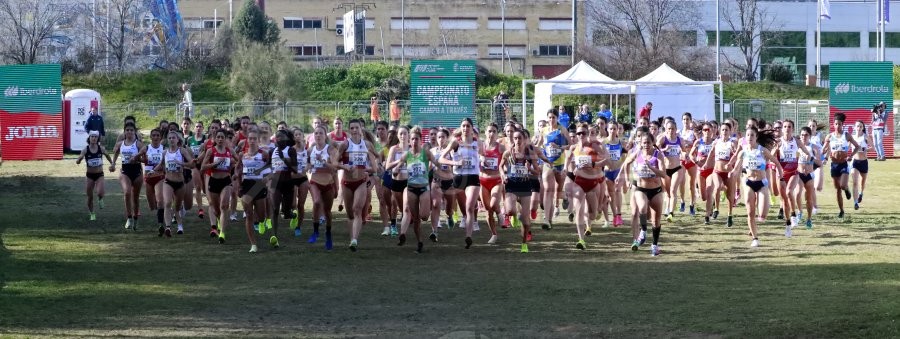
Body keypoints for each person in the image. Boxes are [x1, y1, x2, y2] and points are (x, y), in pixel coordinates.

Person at [729, 127, 782, 247]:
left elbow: (777, 163)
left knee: (762, 215)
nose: (749, 138)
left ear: (756, 137)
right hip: (748, 183)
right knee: (750, 212)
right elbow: (737, 168)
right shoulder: (743, 152)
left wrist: (781, 176)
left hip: (762, 183)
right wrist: (732, 173)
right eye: (747, 135)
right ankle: (755, 238)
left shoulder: (762, 151)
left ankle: (758, 222)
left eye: (752, 135)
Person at [617, 128, 666, 256]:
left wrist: (652, 168)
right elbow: (626, 163)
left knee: (656, 221)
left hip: (656, 190)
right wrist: (627, 179)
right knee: (642, 208)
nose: (646, 145)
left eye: (648, 143)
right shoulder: (638, 153)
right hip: (641, 188)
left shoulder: (657, 154)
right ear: (640, 143)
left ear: (652, 142)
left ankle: (654, 245)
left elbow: (663, 174)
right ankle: (643, 231)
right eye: (644, 143)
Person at [394, 126, 438, 253]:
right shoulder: (407, 154)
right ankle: (419, 242)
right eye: (412, 139)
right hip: (411, 188)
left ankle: (422, 229)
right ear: (410, 141)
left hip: (424, 188)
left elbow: (435, 163)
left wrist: (440, 171)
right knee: (415, 217)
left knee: (424, 216)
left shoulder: (426, 153)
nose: (414, 141)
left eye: (416, 139)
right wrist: (396, 170)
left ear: (420, 140)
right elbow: (398, 166)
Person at [440, 118, 481, 249]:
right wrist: (455, 163)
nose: (465, 128)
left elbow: (484, 154)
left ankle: (468, 236)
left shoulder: (477, 143)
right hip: (459, 178)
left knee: (469, 207)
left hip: (473, 177)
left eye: (468, 126)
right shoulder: (455, 143)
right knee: (464, 210)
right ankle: (461, 219)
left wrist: (484, 159)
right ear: (461, 128)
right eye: (463, 126)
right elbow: (441, 158)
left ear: (472, 128)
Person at [338, 119, 379, 252]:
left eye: (357, 127)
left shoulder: (367, 145)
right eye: (352, 128)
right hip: (346, 183)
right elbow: (334, 162)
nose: (355, 130)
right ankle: (352, 239)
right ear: (349, 130)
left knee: (357, 209)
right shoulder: (345, 144)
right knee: (350, 213)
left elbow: (376, 162)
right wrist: (344, 166)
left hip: (361, 182)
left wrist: (367, 168)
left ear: (361, 129)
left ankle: (354, 239)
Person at [567, 123, 609, 250]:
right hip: (579, 182)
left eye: (583, 133)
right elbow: (569, 158)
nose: (580, 135)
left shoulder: (595, 145)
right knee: (579, 211)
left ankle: (590, 221)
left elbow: (607, 159)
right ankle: (581, 240)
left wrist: (594, 164)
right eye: (578, 133)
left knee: (592, 214)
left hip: (593, 183)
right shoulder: (574, 147)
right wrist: (567, 168)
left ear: (587, 133)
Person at [499, 128, 538, 253]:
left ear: (524, 140)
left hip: (525, 186)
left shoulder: (530, 154)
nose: (517, 140)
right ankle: (513, 216)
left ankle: (524, 244)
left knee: (526, 221)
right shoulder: (508, 153)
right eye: (515, 138)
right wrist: (504, 176)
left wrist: (529, 169)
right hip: (511, 184)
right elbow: (500, 166)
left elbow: (538, 171)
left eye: (519, 138)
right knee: (510, 211)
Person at [200, 129, 238, 243]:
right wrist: (214, 164)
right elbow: (203, 167)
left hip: (226, 181)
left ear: (226, 139)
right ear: (215, 139)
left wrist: (234, 167)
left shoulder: (229, 150)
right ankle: (219, 222)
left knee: (224, 206)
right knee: (217, 211)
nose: (220, 139)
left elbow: (239, 161)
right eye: (218, 137)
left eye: (222, 137)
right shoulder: (211, 151)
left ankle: (222, 233)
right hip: (213, 181)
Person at [155, 131, 194, 237]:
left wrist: (182, 163)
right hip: (168, 181)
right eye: (170, 138)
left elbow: (192, 164)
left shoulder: (182, 151)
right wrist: (153, 171)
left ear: (178, 140)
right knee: (167, 203)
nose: (171, 140)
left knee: (177, 207)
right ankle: (168, 227)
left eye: (173, 138)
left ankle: (180, 226)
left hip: (180, 183)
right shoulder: (164, 152)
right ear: (167, 140)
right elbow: (161, 164)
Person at [821, 113, 860, 219]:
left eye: (839, 124)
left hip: (843, 164)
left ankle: (847, 189)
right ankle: (841, 210)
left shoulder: (846, 135)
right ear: (833, 124)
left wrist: (851, 156)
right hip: (834, 165)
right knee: (837, 189)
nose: (837, 126)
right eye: (835, 124)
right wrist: (823, 151)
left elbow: (857, 146)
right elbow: (824, 148)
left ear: (843, 124)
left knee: (842, 185)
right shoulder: (830, 136)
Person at [237, 131, 271, 253]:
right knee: (248, 214)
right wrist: (238, 182)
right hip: (247, 185)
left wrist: (267, 177)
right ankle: (253, 244)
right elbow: (238, 169)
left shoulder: (264, 154)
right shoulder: (243, 155)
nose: (252, 141)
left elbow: (271, 168)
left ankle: (261, 222)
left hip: (259, 185)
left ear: (258, 140)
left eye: (254, 139)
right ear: (247, 140)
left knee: (261, 216)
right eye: (250, 139)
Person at [307, 125, 340, 250]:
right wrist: (308, 166)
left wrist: (323, 161)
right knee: (316, 203)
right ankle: (315, 231)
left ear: (325, 135)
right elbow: (307, 164)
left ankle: (328, 233)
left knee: (327, 211)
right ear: (313, 136)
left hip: (328, 183)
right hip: (315, 181)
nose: (318, 135)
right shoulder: (310, 150)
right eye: (316, 133)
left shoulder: (330, 149)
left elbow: (335, 168)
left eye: (321, 133)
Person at [538, 109, 571, 230]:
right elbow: (539, 144)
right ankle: (547, 219)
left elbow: (571, 144)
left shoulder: (562, 130)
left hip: (560, 164)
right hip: (548, 163)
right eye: (549, 117)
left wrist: (559, 147)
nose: (551, 120)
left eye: (553, 117)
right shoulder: (544, 130)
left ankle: (565, 197)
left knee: (558, 191)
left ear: (557, 118)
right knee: (548, 190)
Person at [267, 130, 299, 249]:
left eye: (281, 137)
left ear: (286, 138)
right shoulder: (272, 151)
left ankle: (292, 214)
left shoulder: (291, 150)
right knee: (275, 208)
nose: (278, 139)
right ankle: (274, 237)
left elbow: (295, 169)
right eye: (277, 137)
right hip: (275, 181)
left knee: (285, 213)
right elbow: (269, 166)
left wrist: (284, 159)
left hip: (288, 181)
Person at [112, 122, 144, 230]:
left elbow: (145, 159)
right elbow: (115, 153)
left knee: (135, 197)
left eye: (131, 130)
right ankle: (129, 218)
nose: (129, 132)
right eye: (127, 130)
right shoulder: (120, 143)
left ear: (134, 132)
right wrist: (113, 164)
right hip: (125, 171)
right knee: (127, 192)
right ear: (124, 132)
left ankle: (135, 219)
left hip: (137, 171)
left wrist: (137, 158)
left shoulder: (138, 144)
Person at [76, 131, 112, 221]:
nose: (94, 138)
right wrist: (79, 160)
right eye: (92, 136)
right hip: (90, 175)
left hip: (99, 174)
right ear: (89, 138)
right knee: (90, 196)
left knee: (100, 192)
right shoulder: (85, 149)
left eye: (96, 137)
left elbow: (107, 155)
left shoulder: (101, 148)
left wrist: (112, 163)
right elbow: (79, 158)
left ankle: (100, 199)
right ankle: (92, 213)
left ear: (97, 138)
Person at [135, 129, 166, 231]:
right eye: (154, 135)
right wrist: (141, 159)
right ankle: (159, 212)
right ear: (151, 137)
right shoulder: (146, 148)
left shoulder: (164, 149)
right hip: (148, 178)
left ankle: (161, 224)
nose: (156, 137)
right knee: (152, 206)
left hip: (159, 177)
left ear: (160, 137)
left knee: (160, 200)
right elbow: (137, 158)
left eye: (158, 135)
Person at [796, 127, 821, 229]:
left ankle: (809, 219)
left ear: (810, 136)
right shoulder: (796, 147)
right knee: (797, 193)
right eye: (802, 135)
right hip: (799, 174)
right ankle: (800, 212)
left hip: (810, 175)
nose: (804, 137)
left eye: (806, 135)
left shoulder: (814, 147)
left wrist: (811, 158)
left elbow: (819, 163)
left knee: (808, 199)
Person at [290, 128, 310, 237]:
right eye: (295, 135)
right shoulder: (291, 150)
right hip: (293, 178)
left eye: (299, 134)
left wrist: (306, 168)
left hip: (303, 178)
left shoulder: (307, 150)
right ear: (293, 138)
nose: (297, 136)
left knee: (301, 205)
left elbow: (310, 162)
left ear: (303, 137)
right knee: (293, 204)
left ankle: (298, 227)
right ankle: (293, 217)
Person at [850, 120, 873, 210]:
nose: (859, 128)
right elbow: (847, 147)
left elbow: (873, 148)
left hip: (864, 162)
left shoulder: (865, 137)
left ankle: (861, 193)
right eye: (857, 126)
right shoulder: (852, 137)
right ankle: (855, 203)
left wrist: (865, 149)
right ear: (854, 127)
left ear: (863, 128)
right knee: (855, 182)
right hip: (855, 162)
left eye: (860, 126)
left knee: (862, 182)